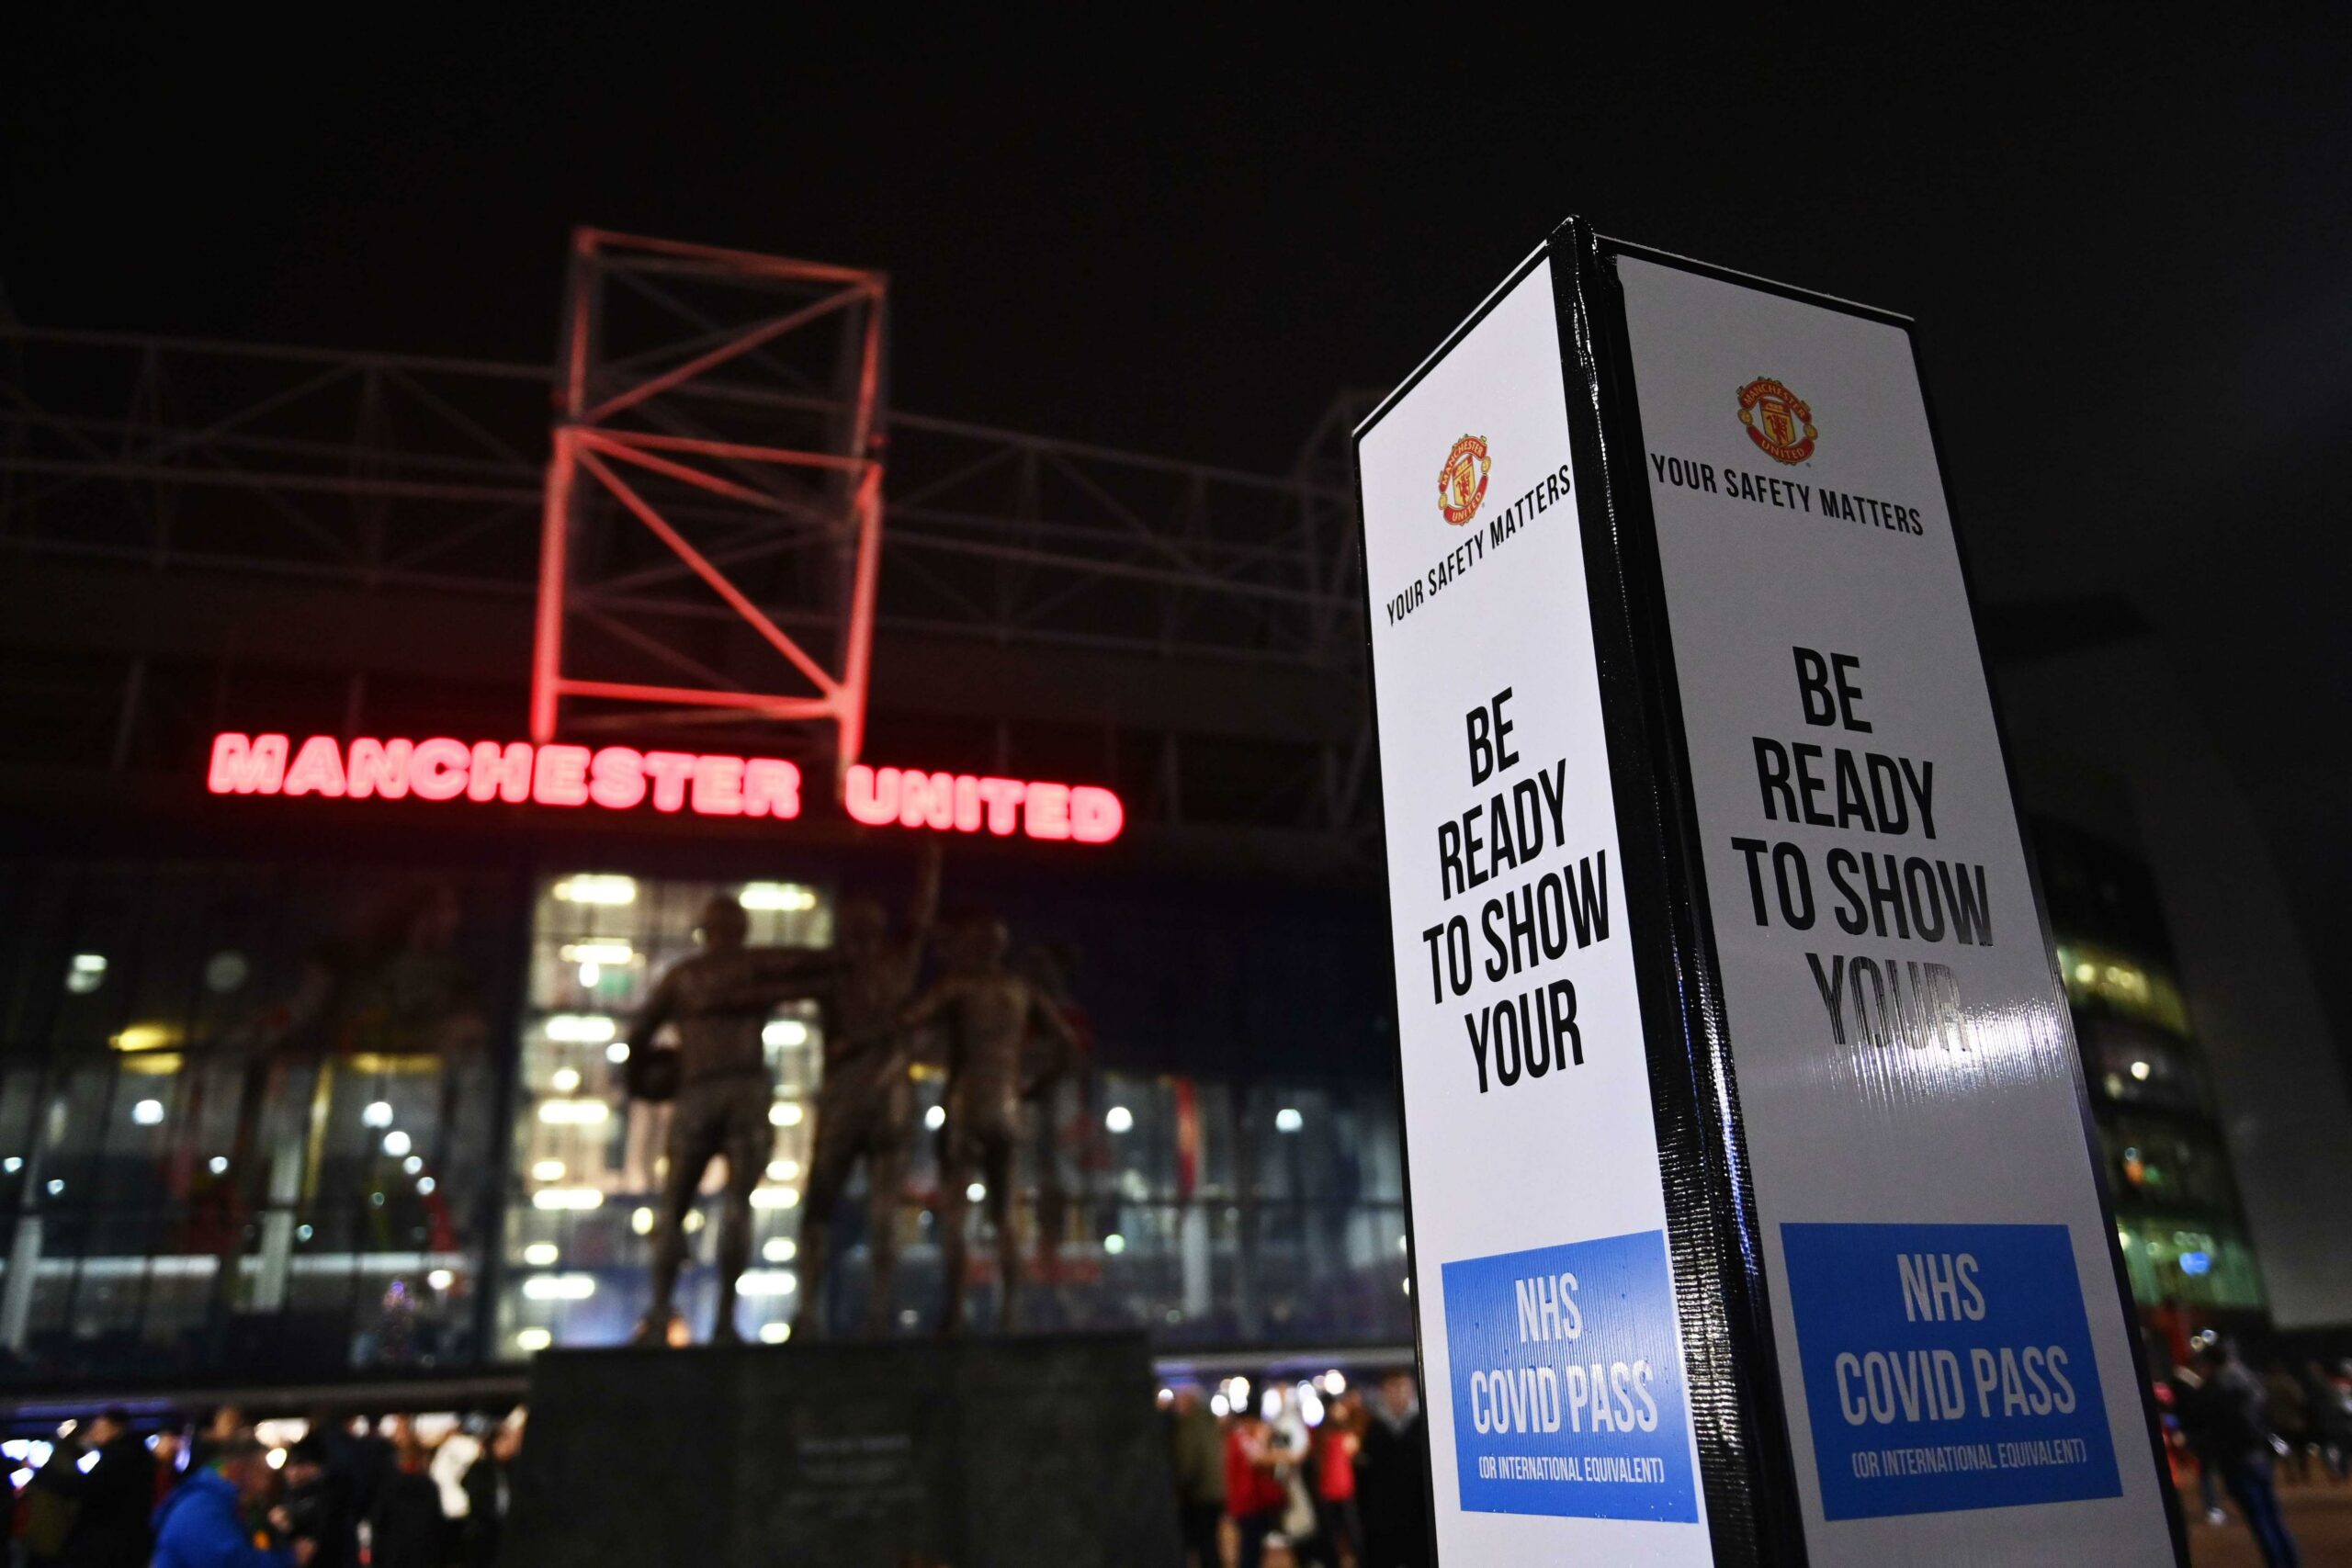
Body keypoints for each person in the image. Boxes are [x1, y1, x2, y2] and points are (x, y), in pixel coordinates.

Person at [624, 894, 839, 1345]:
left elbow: (639, 1033)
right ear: (741, 931)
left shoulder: (684, 977)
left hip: (701, 1090)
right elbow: (809, 965)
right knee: (736, 1208)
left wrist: (642, 1081)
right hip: (742, 1090)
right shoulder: (752, 966)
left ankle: (662, 1313)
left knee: (675, 1206)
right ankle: (724, 1321)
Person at [902, 912, 1082, 1333]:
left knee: (957, 1210)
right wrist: (1032, 1087)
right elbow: (1070, 1047)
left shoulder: (958, 984)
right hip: (1007, 1103)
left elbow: (908, 1020)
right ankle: (1009, 1313)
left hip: (967, 1102)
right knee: (1003, 1213)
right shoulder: (1022, 990)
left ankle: (956, 1310)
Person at [796, 843, 939, 1339]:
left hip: (855, 1092)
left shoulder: (836, 970)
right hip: (882, 1092)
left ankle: (814, 1311)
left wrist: (932, 861)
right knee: (875, 1206)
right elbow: (920, 919)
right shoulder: (882, 964)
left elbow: (919, 919)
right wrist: (932, 860)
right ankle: (867, 1310)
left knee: (823, 1205)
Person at [2204, 1343, 2301, 1567]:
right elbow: (2265, 1414)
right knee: (2273, 1517)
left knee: (2259, 1521)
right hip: (2259, 1456)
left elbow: (2218, 1425)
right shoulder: (2249, 1378)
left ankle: (2277, 1563)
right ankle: (2291, 1562)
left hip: (2238, 1460)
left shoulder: (2218, 1386)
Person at [151, 1435, 311, 1567]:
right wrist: (288, 1560)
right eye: (262, 1474)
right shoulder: (202, 1506)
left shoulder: (218, 1501)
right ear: (239, 1470)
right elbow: (228, 1561)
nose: (265, 1485)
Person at [62, 1405, 156, 1568]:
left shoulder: (117, 1460)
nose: (95, 1432)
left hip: (110, 1541)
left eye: (100, 1427)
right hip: (128, 1539)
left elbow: (94, 1494)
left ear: (116, 1429)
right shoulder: (134, 1455)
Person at [1355, 1371, 1430, 1568]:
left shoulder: (1424, 1424)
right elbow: (1364, 1475)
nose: (1397, 1395)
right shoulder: (1373, 1427)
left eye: (1402, 1388)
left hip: (1418, 1516)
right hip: (1381, 1517)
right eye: (1392, 1389)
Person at [364, 1435, 447, 1568]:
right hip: (422, 1557)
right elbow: (437, 1527)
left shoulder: (389, 1487)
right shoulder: (429, 1488)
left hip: (393, 1557)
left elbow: (379, 1525)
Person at [1165, 1384, 1226, 1568]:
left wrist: (1178, 1488)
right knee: (1210, 1544)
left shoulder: (1190, 1426)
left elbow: (1189, 1463)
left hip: (1198, 1495)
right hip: (1215, 1493)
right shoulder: (1210, 1424)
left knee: (1200, 1546)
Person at [1223, 1408, 1286, 1568]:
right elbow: (1258, 1460)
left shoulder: (1239, 1437)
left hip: (1252, 1501)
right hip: (1247, 1501)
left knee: (1254, 1546)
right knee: (1250, 1547)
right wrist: (1289, 1456)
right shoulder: (1241, 1438)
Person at [456, 1415, 522, 1568]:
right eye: (505, 1440)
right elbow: (480, 1504)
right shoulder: (480, 1470)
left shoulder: (513, 1470)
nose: (510, 1445)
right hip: (485, 1536)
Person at [277, 1438, 351, 1568]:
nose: (294, 1472)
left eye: (301, 1465)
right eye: (290, 1466)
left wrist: (288, 1527)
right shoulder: (285, 1496)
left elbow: (310, 1545)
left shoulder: (327, 1499)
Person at [1315, 1390, 1364, 1568]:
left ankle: (1349, 1559)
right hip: (1334, 1489)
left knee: (1347, 1532)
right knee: (1338, 1532)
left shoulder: (1335, 1432)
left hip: (1341, 1488)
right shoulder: (1327, 1433)